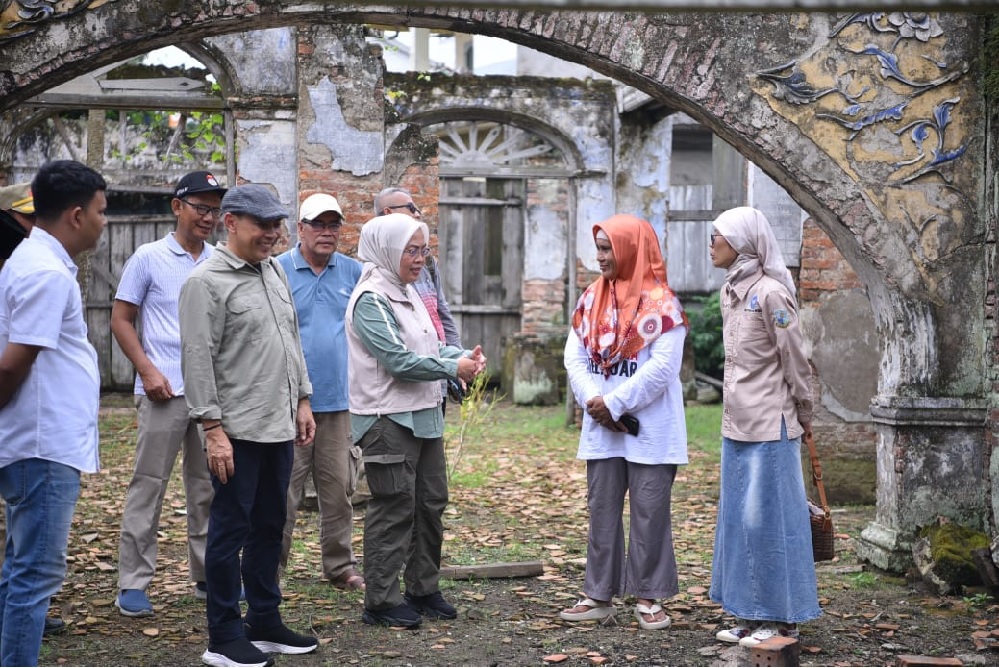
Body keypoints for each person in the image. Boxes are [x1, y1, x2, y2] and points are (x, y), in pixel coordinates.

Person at [179, 184, 319, 667]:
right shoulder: (206, 282)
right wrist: (212, 429)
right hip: (235, 432)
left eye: (277, 224)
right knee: (229, 530)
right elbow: (197, 361)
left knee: (269, 525)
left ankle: (264, 620)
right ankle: (223, 634)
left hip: (278, 423)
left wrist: (302, 399)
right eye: (263, 225)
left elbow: (291, 339)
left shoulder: (273, 270)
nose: (273, 234)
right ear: (231, 222)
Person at [346, 213, 485, 628]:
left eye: (424, 249)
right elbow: (398, 361)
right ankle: (381, 600)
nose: (421, 258)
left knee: (429, 504)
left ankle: (423, 588)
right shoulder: (371, 299)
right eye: (411, 249)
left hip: (424, 414)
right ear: (387, 250)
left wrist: (459, 360)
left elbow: (433, 347)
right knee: (393, 507)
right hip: (388, 418)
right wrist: (451, 368)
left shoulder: (409, 292)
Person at [0, 160, 106, 666]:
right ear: (76, 214)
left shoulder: (39, 261)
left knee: (20, 566)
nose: (106, 222)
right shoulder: (44, 273)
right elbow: (13, 363)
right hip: (40, 443)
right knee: (35, 574)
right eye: (103, 211)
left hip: (39, 439)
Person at [560, 214, 688, 631]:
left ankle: (648, 595)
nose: (599, 258)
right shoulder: (591, 299)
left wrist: (613, 403)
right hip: (602, 425)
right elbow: (574, 357)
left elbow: (663, 369)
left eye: (607, 249)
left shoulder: (663, 304)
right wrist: (593, 401)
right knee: (601, 509)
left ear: (632, 249)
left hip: (649, 427)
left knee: (650, 511)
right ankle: (598, 594)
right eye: (597, 249)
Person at [707, 206, 821, 647]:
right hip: (736, 424)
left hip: (770, 426)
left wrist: (804, 412)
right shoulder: (731, 292)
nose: (711, 243)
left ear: (741, 243)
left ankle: (783, 619)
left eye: (717, 236)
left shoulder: (771, 294)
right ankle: (750, 614)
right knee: (738, 522)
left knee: (769, 521)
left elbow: (795, 360)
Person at [112, 171, 224, 617]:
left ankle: (207, 575)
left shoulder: (219, 261)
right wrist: (147, 369)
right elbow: (121, 319)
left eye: (214, 209)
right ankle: (133, 582)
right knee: (148, 485)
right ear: (177, 206)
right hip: (162, 391)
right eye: (200, 207)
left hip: (210, 396)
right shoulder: (148, 257)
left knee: (209, 488)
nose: (208, 217)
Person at [276, 193, 364, 591]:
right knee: (281, 493)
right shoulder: (277, 271)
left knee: (338, 491)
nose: (327, 233)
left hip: (339, 402)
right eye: (318, 225)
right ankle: (270, 569)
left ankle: (340, 566)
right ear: (300, 229)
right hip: (286, 403)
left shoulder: (353, 272)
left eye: (334, 225)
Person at [0, 183, 69, 638]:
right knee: (33, 561)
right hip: (29, 429)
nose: (32, 225)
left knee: (23, 542)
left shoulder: (26, 261)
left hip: (30, 425)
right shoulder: (34, 267)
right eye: (25, 217)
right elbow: (15, 362)